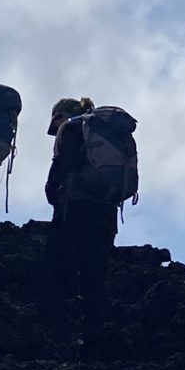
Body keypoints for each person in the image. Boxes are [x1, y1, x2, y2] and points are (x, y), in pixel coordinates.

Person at [43, 97, 120, 348]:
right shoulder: (107, 133)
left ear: (61, 115)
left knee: (59, 270)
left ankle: (60, 334)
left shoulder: (72, 128)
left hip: (76, 210)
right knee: (95, 275)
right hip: (107, 211)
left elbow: (60, 168)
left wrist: (53, 194)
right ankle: (94, 338)